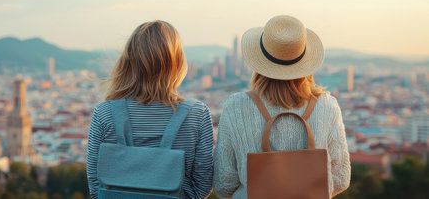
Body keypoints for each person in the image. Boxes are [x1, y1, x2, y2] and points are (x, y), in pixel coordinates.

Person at [213, 15, 350, 198]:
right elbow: (341, 179)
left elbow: (224, 184)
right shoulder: (328, 106)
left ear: (260, 61)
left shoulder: (236, 106)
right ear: (305, 62)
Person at [86, 20, 214, 199]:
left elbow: (95, 186)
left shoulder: (104, 113)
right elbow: (202, 186)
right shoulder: (196, 114)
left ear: (130, 61)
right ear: (176, 62)